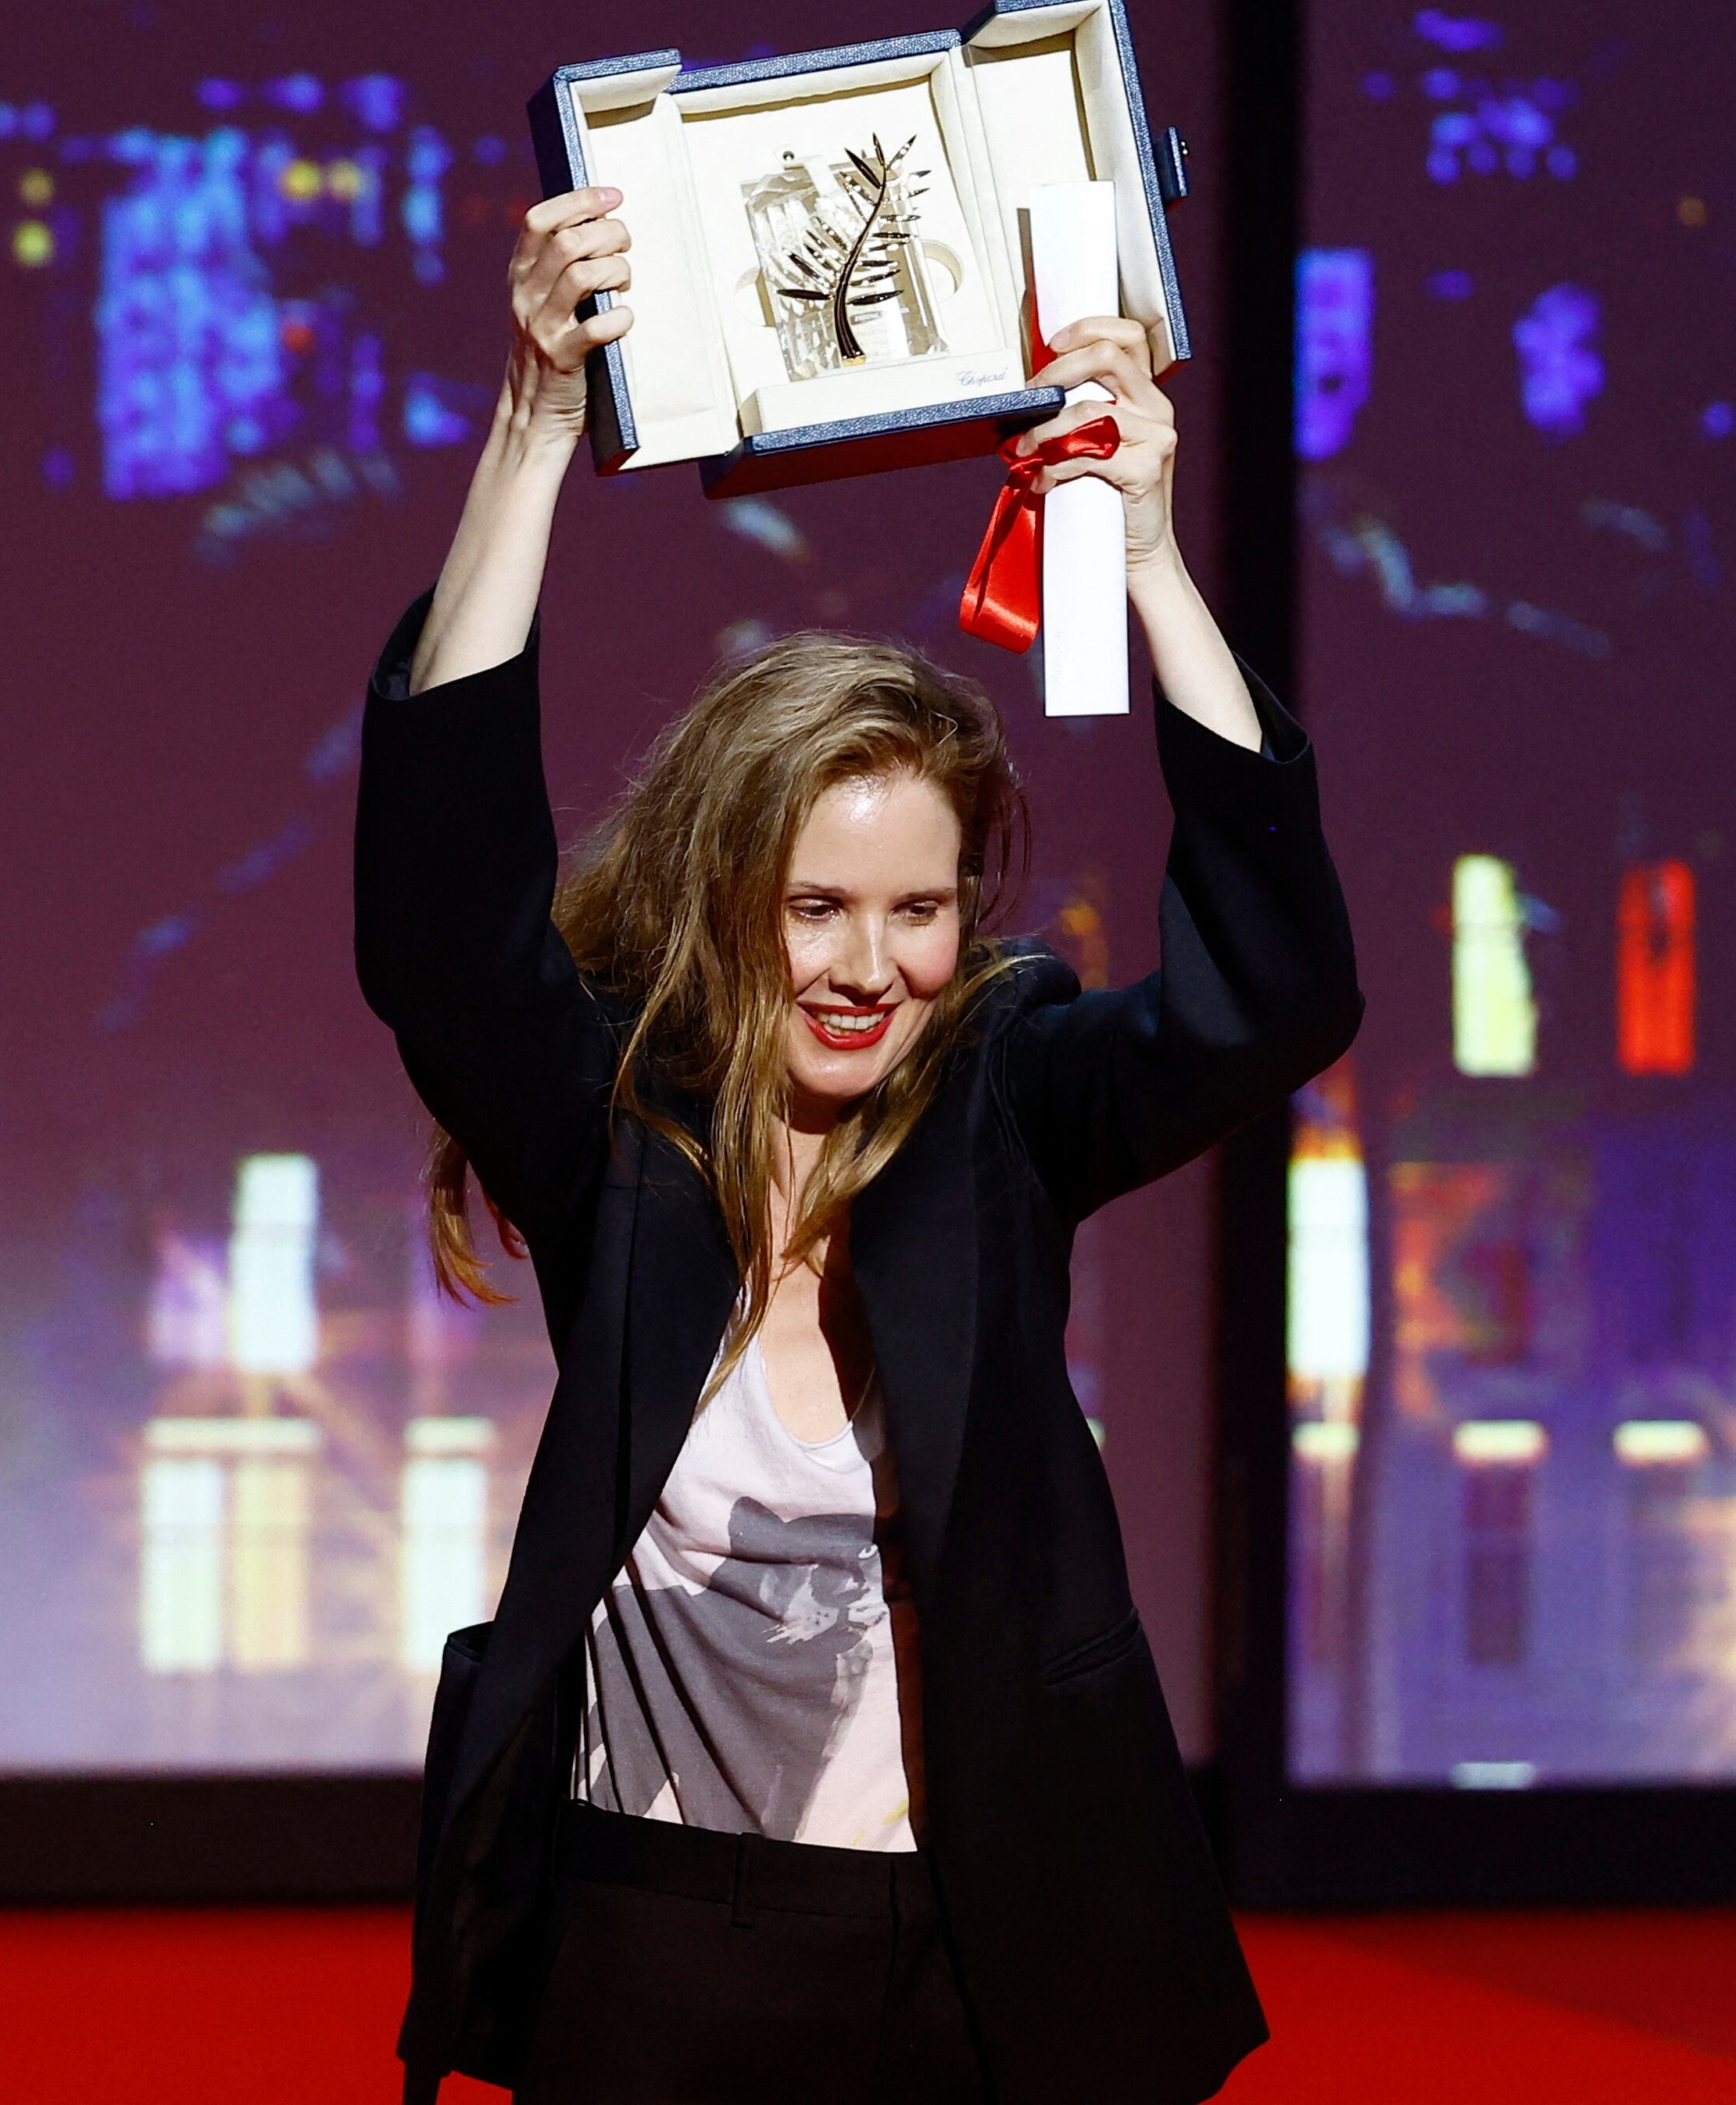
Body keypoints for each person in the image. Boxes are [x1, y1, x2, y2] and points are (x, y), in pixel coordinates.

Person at [363, 188, 1360, 2104]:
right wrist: (535, 424)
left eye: (920, 911)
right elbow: (437, 923)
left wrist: (1145, 554)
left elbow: (1276, 1002)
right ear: (731, 891)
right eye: (819, 906)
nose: (870, 968)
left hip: (975, 1940)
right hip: (645, 1928)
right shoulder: (615, 1128)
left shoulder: (1006, 1096)